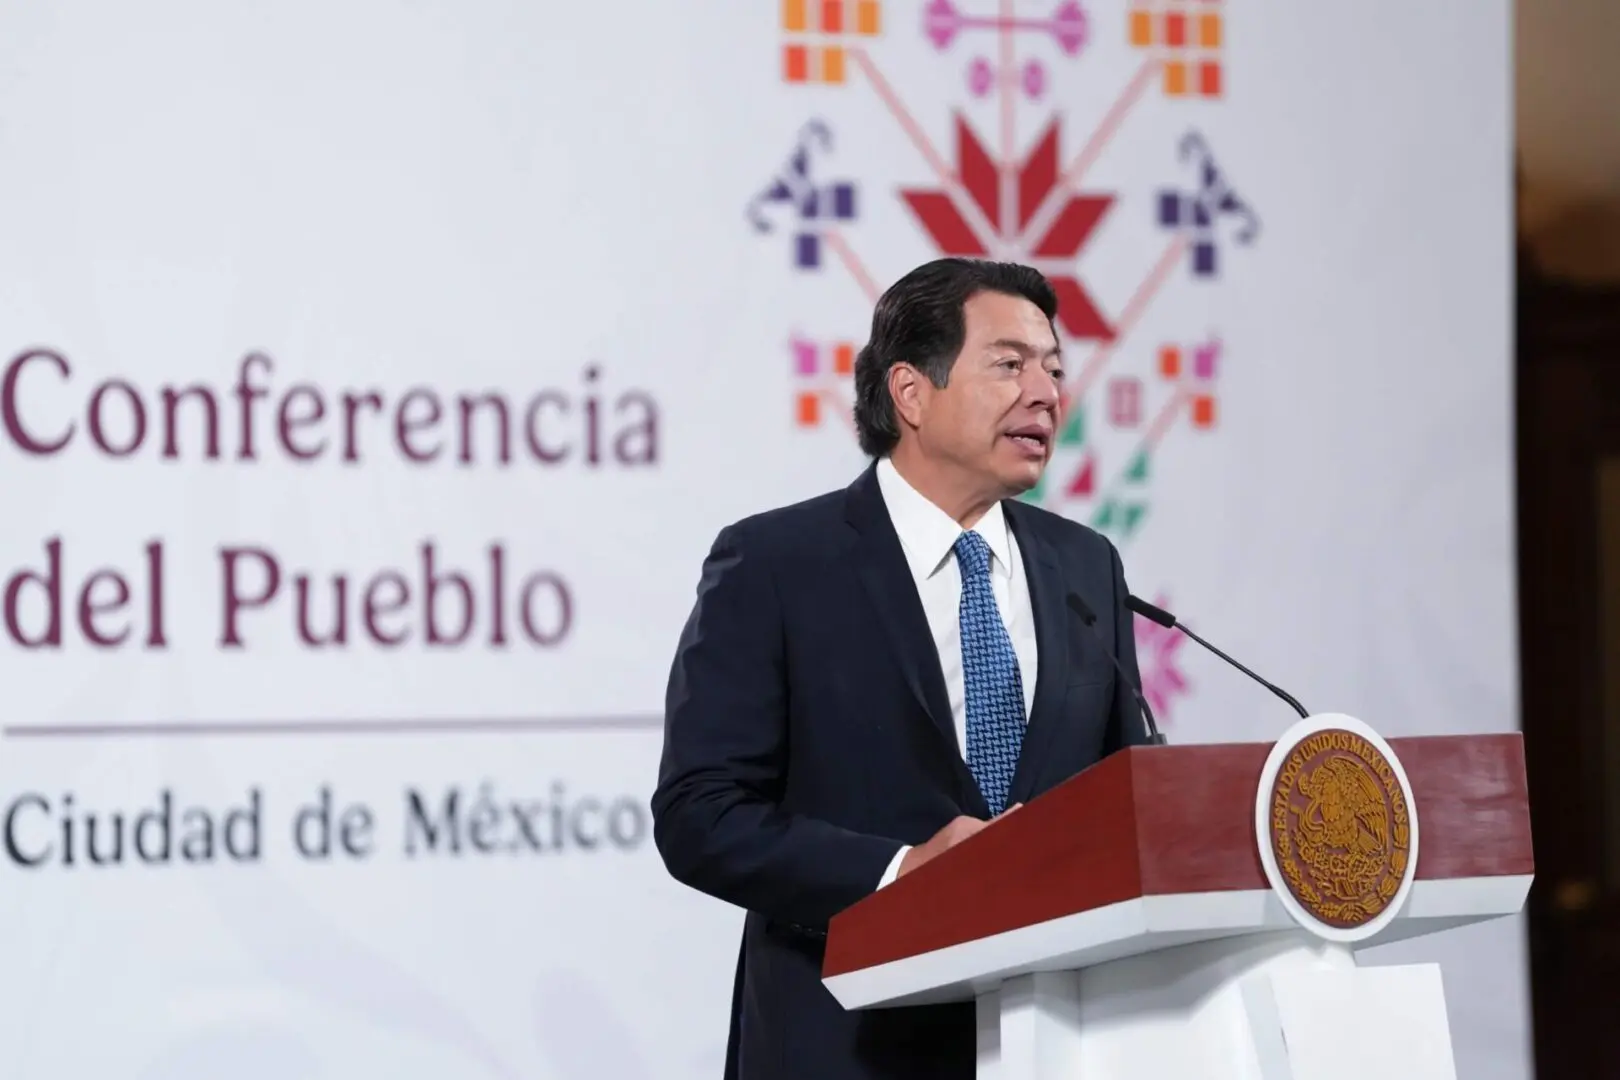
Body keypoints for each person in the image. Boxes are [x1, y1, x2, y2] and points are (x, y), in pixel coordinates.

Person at [651, 258, 1151, 1079]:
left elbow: (1123, 795)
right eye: (1010, 364)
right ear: (912, 393)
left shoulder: (1084, 566)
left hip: (1053, 1042)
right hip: (848, 1046)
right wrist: (900, 873)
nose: (1047, 393)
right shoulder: (777, 563)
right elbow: (699, 814)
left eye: (1055, 369)